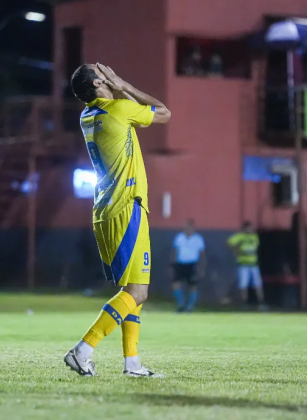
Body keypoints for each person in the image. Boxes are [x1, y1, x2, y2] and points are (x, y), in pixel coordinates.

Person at [64, 63, 171, 377]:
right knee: (138, 292)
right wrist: (123, 83)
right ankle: (83, 350)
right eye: (102, 70)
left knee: (131, 290)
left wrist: (114, 87)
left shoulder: (86, 116)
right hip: (128, 208)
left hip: (103, 210)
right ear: (99, 81)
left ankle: (132, 363)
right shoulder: (120, 110)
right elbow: (163, 112)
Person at [228, 221, 266, 308]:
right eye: (248, 228)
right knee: (243, 284)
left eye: (251, 228)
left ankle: (261, 302)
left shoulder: (254, 237)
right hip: (243, 264)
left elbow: (255, 248)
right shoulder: (240, 236)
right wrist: (236, 252)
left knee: (258, 284)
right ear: (244, 228)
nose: (250, 229)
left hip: (253, 264)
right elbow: (230, 243)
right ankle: (244, 303)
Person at [171, 218, 206, 312]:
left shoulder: (198, 239)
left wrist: (202, 268)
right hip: (180, 264)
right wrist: (173, 265)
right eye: (186, 226)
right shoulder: (179, 237)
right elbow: (175, 251)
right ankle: (180, 304)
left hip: (192, 264)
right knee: (176, 285)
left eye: (190, 226)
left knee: (192, 286)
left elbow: (202, 254)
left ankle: (190, 306)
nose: (188, 228)